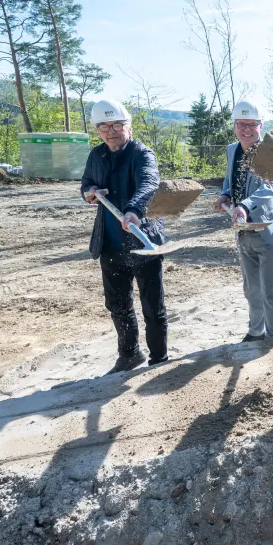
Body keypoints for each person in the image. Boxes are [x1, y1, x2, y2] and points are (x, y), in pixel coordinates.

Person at [80, 98, 169, 372]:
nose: (111, 132)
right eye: (104, 127)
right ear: (98, 130)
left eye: (117, 125)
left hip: (143, 240)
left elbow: (149, 184)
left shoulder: (142, 154)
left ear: (128, 126)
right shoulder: (96, 155)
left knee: (152, 305)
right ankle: (129, 354)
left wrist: (133, 210)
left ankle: (159, 358)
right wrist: (90, 193)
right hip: (110, 243)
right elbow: (86, 183)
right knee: (117, 304)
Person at [213, 100, 273, 342]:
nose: (246, 130)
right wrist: (226, 195)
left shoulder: (272, 151)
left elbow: (269, 187)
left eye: (251, 124)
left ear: (261, 125)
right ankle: (256, 331)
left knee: (270, 288)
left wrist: (245, 205)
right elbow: (230, 179)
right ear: (234, 125)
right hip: (243, 226)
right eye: (241, 124)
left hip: (269, 226)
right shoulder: (232, 150)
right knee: (251, 286)